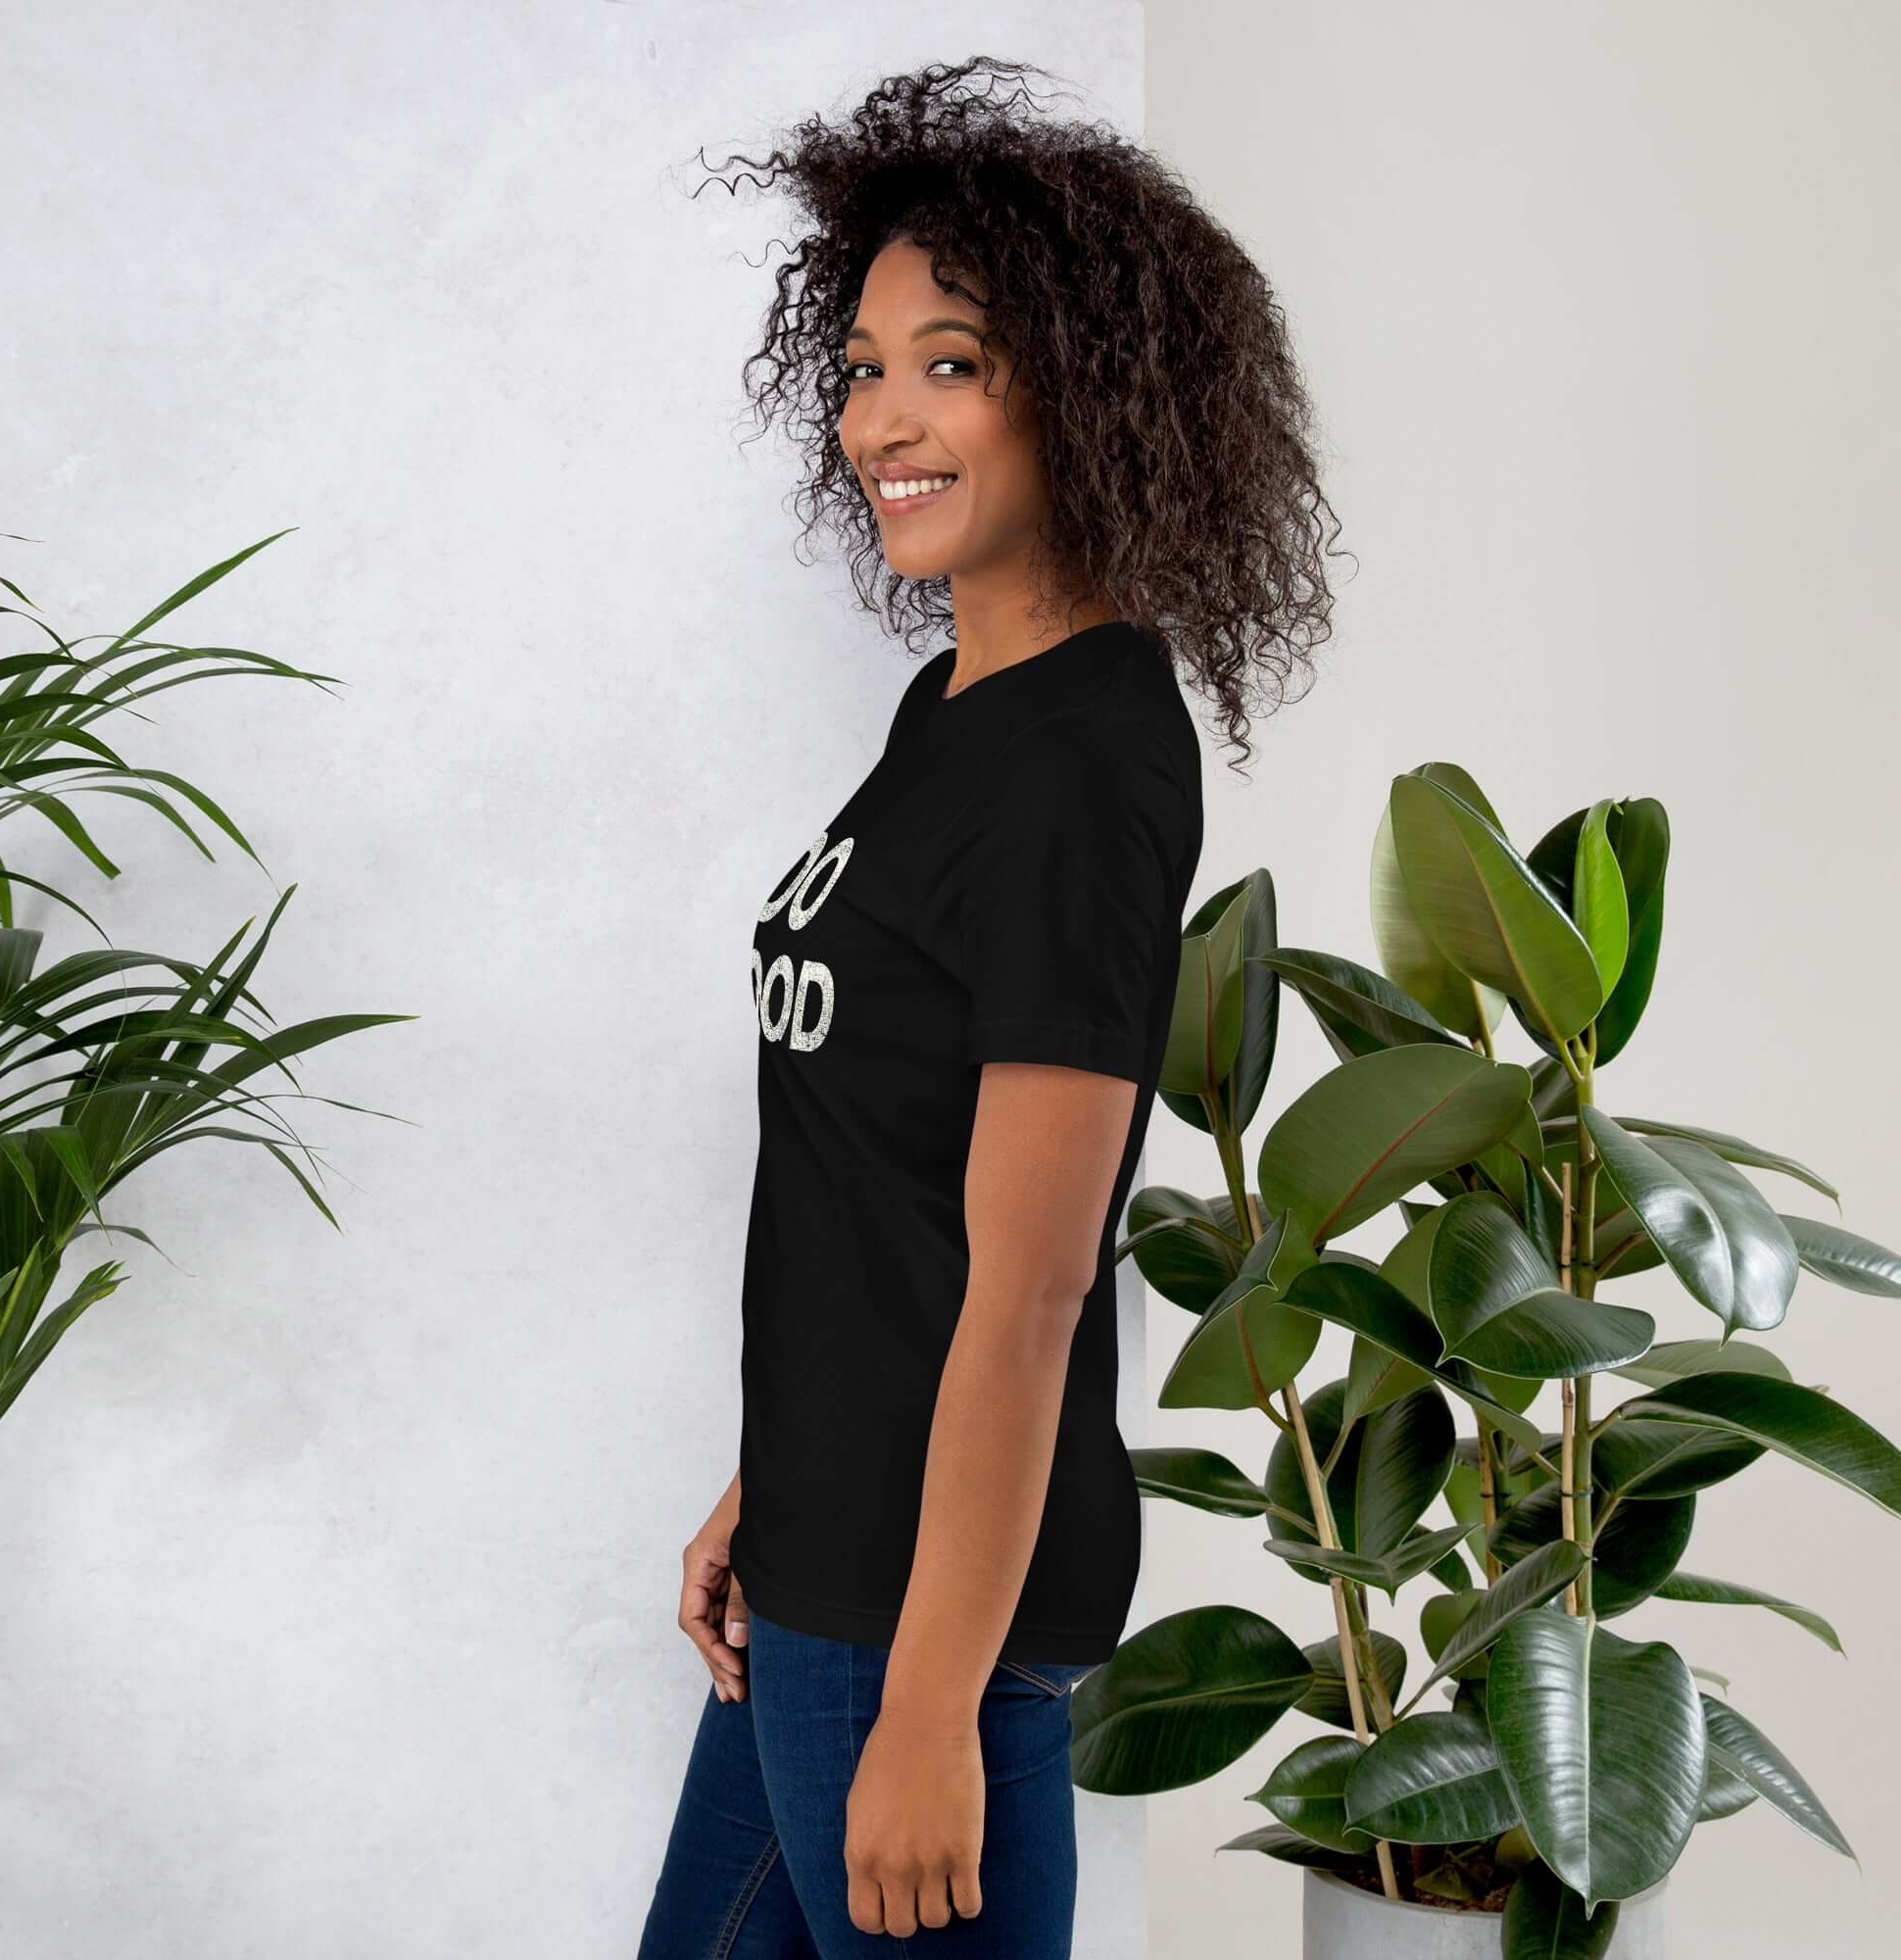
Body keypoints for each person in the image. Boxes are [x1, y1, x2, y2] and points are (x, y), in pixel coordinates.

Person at [639, 56, 1343, 1958]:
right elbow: (882, 1171)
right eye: (863, 366)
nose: (884, 417)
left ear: (1097, 395)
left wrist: (933, 1709)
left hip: (917, 1633)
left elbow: (1029, 1285)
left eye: (951, 362)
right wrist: (767, 1482)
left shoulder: (1084, 763)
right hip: (822, 1575)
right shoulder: (951, 712)